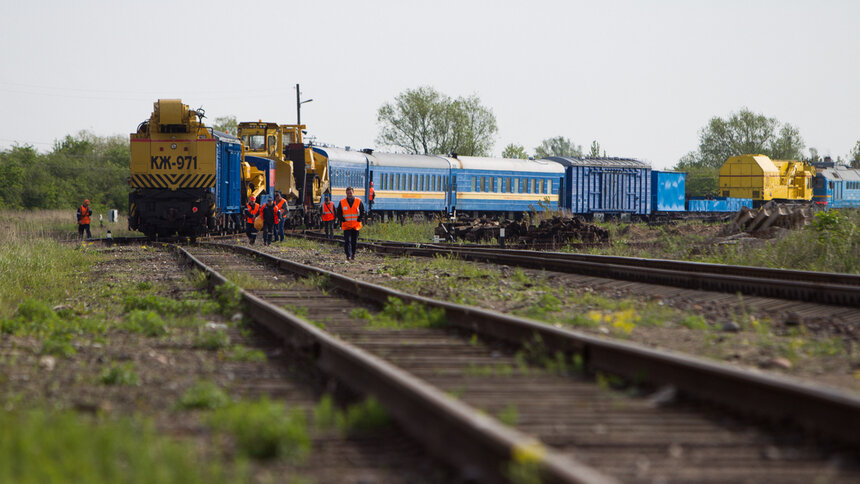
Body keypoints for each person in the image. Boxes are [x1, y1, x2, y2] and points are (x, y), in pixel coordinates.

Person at [335, 186, 365, 261]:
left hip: (355, 226)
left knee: (354, 241)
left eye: (350, 193)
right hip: (347, 226)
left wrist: (359, 219)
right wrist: (342, 220)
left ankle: (353, 254)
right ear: (346, 193)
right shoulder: (342, 202)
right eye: (348, 193)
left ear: (353, 192)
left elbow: (362, 211)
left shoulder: (358, 201)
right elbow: (338, 212)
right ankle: (348, 255)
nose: (349, 194)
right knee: (347, 241)